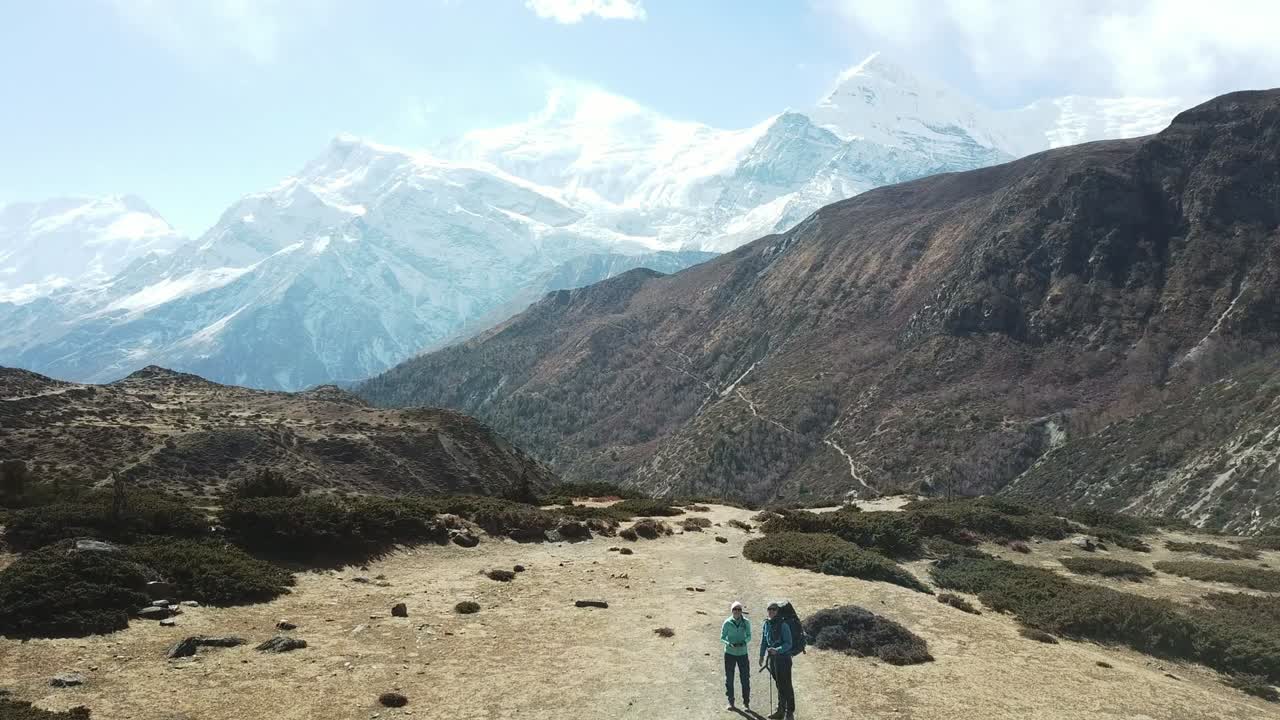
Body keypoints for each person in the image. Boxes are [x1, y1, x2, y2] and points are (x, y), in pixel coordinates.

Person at [759, 601, 795, 720]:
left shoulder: (783, 625)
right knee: (779, 685)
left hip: (783, 659)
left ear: (777, 611)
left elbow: (789, 643)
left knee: (786, 685)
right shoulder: (766, 624)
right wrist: (761, 656)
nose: (771, 611)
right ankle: (780, 710)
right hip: (773, 659)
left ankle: (789, 712)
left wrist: (777, 650)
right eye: (769, 609)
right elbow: (764, 640)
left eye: (774, 609)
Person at [721, 601, 751, 711]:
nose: (737, 611)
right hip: (729, 653)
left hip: (743, 653)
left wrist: (744, 642)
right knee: (729, 678)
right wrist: (729, 643)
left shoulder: (746, 622)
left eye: (739, 609)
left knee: (745, 678)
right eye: (735, 609)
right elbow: (722, 637)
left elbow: (749, 636)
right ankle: (730, 701)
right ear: (732, 611)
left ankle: (746, 703)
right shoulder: (727, 622)